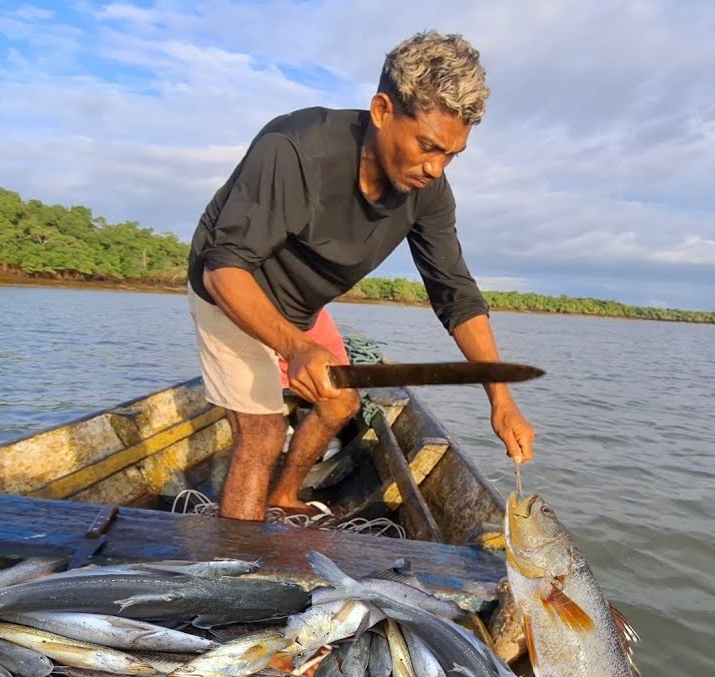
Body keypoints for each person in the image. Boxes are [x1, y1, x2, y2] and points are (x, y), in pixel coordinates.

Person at [186, 30, 536, 522]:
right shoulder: (294, 150)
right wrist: (297, 347)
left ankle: (283, 497)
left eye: (452, 154)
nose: (436, 168)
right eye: (428, 146)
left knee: (341, 405)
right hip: (231, 286)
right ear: (381, 111)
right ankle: (235, 578)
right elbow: (225, 268)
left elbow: (455, 294)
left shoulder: (428, 192)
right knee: (262, 433)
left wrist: (500, 399)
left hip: (301, 304)